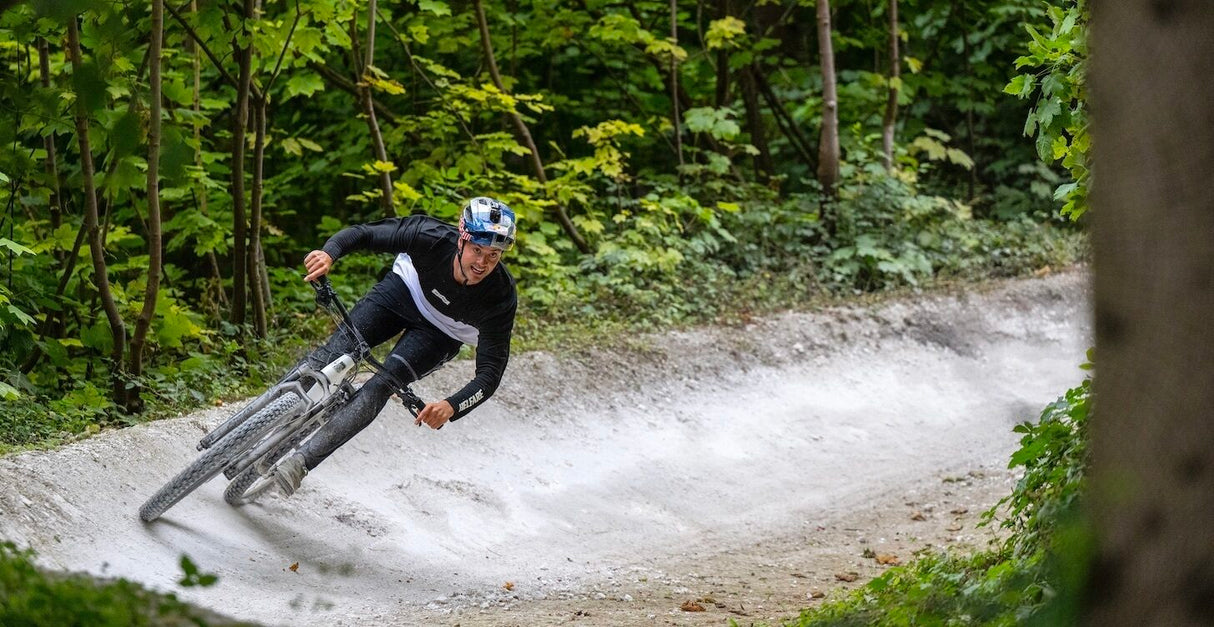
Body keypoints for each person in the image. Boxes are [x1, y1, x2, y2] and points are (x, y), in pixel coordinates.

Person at [272, 197, 518, 496]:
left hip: (443, 333)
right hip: (403, 291)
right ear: (461, 240)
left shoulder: (500, 297)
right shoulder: (430, 235)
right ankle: (265, 412)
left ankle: (300, 463)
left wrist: (452, 406)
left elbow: (490, 374)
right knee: (332, 354)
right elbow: (364, 233)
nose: (482, 263)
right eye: (477, 250)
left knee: (381, 385)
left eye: (493, 255)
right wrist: (329, 253)